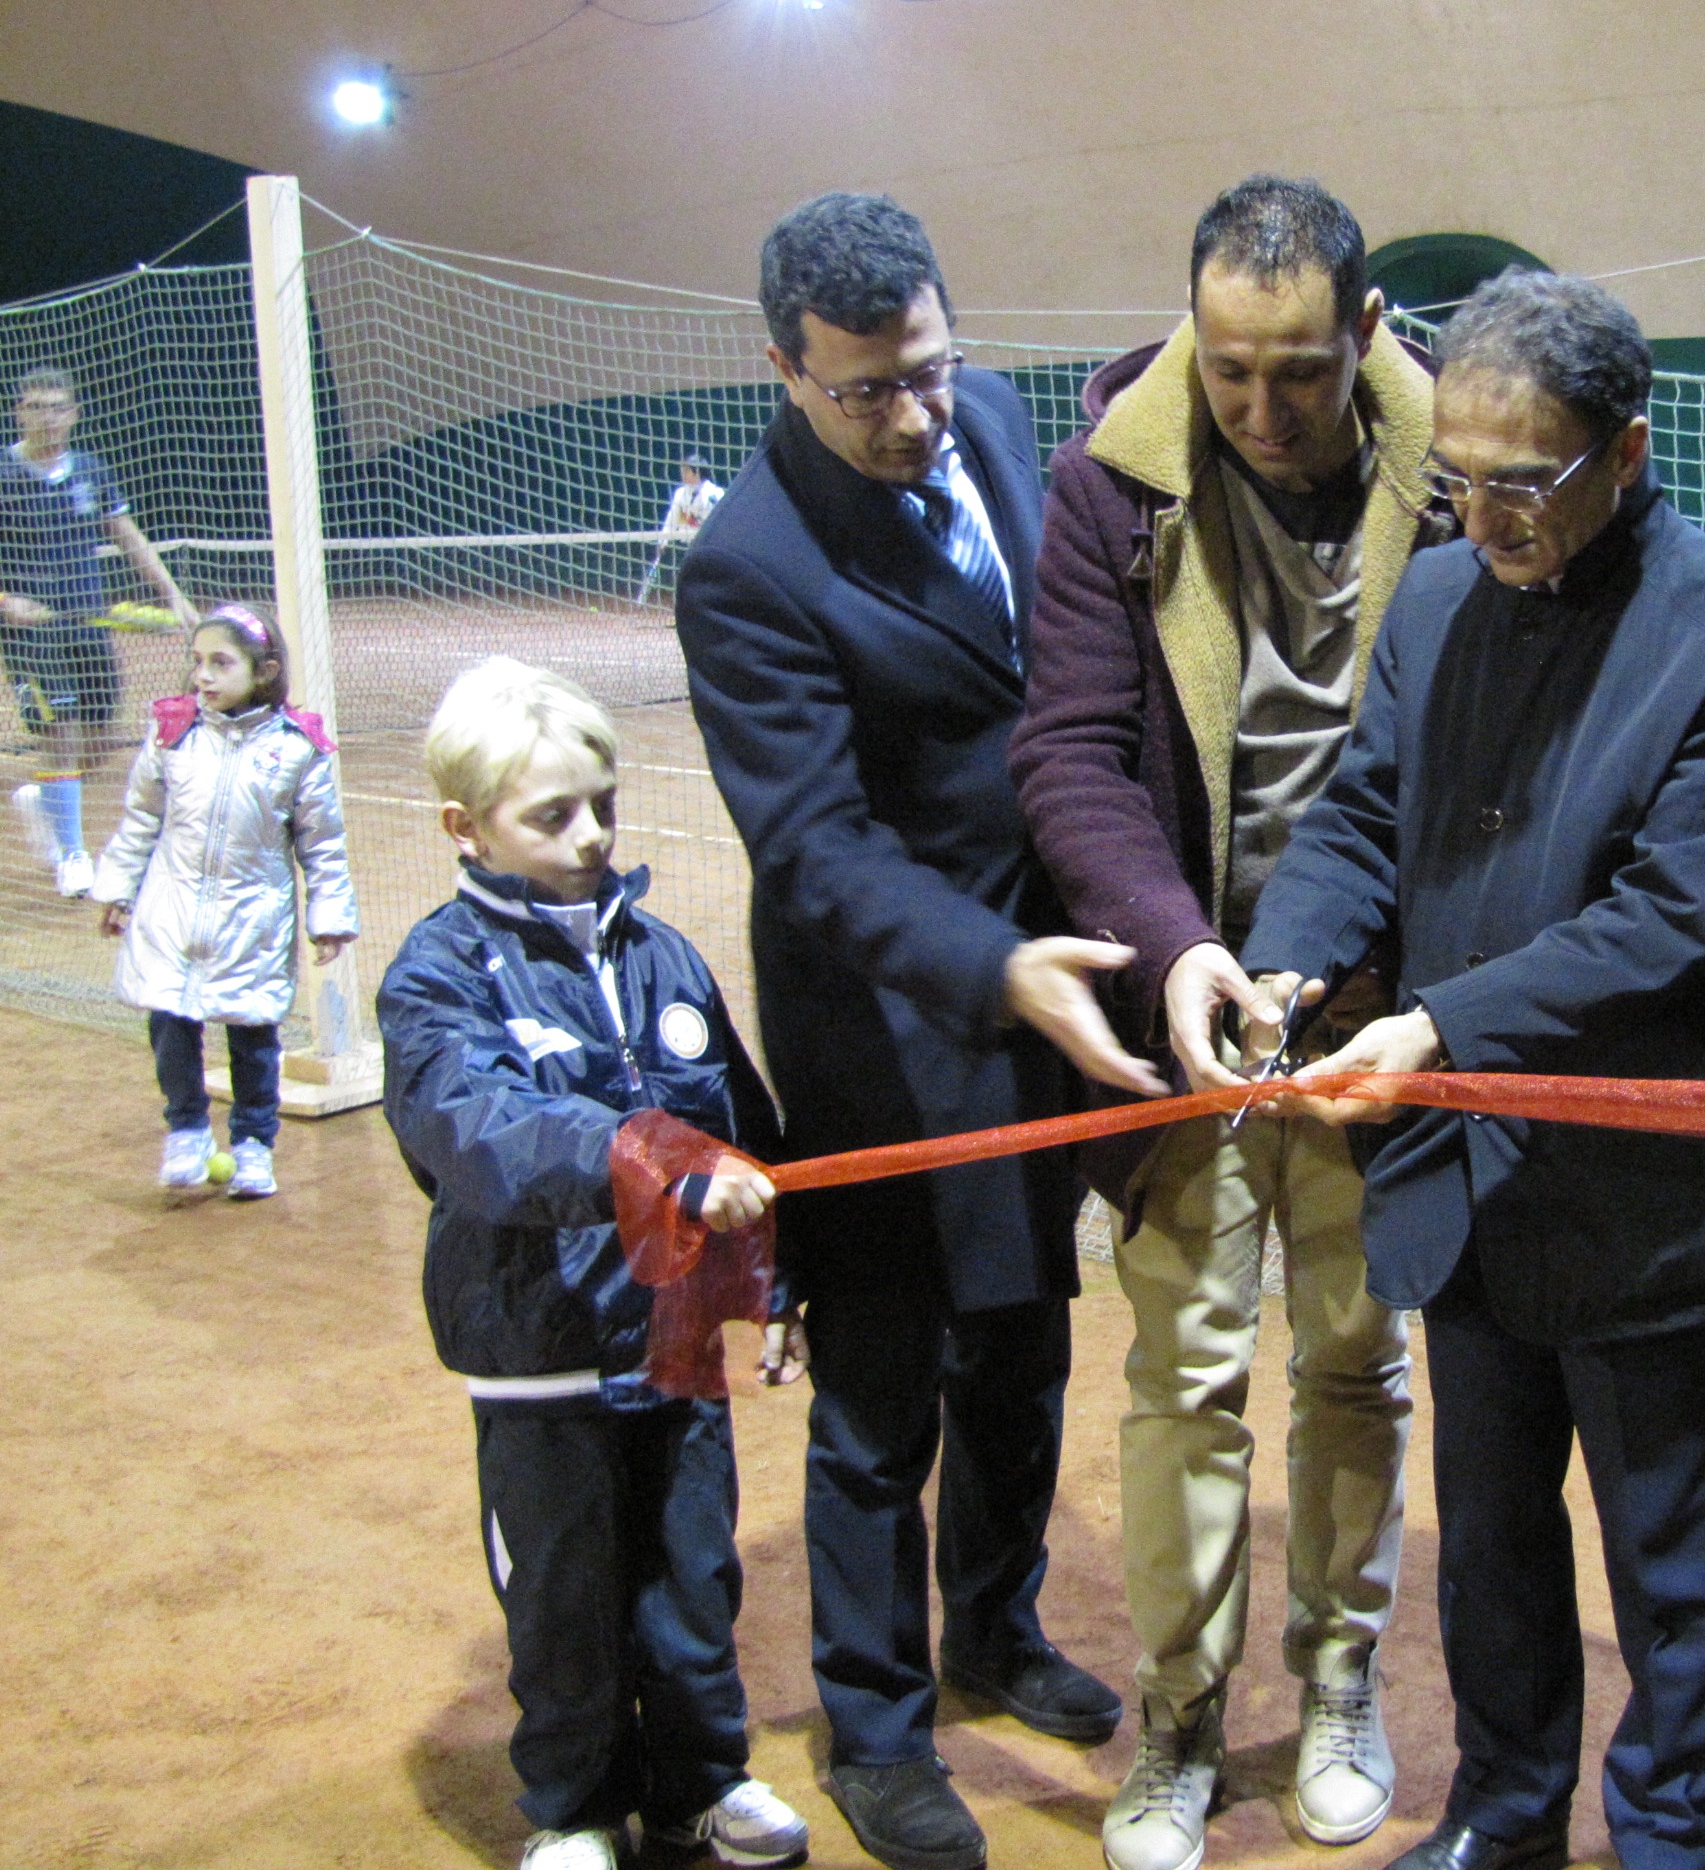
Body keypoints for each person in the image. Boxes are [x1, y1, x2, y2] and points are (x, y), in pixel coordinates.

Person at [1183, 270, 1705, 1870]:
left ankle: (1670, 1832)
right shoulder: (1436, 598)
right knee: (1489, 1544)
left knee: (1668, 1558)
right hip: (1459, 1183)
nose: (1484, 516)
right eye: (1456, 480)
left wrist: (1444, 1027)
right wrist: (1296, 959)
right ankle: (1506, 1809)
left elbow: (1672, 920)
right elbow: (1359, 813)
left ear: (1626, 449)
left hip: (1628, 1198)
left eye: (1523, 482)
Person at [675, 192, 1156, 1870]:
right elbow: (813, 849)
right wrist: (992, 966)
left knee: (1023, 1339)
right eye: (867, 391)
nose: (916, 414)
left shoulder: (1006, 415)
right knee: (884, 1389)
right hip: (886, 1015)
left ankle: (997, 1629)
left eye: (930, 373)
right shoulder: (749, 564)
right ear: (781, 369)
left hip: (1045, 977)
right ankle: (875, 1724)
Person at [1009, 173, 1434, 1870]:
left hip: (1367, 1010)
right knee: (1181, 1369)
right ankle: (1178, 1714)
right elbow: (1069, 751)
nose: (1260, 408)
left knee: (1352, 1355)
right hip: (1192, 1001)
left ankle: (1339, 1680)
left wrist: (1388, 976)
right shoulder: (1104, 483)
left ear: (1368, 335)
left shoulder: (1455, 468)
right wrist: (1172, 943)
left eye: (1300, 371)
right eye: (1229, 365)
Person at [376, 656, 811, 1870]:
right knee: (563, 1599)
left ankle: (698, 1785)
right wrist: (645, 1159)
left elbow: (739, 1124)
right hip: (540, 1346)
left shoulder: (663, 954)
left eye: (602, 803)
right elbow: (477, 1133)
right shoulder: (438, 977)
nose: (591, 835)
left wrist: (780, 1280)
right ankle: (572, 1808)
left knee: (691, 1580)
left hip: (672, 1344)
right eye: (552, 814)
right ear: (467, 829)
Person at [90, 603, 356, 1199]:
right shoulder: (172, 735)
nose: (203, 676)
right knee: (171, 1024)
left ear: (263, 671)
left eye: (220, 662)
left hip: (253, 921)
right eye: (197, 662)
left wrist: (329, 919)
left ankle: (254, 1144)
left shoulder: (297, 750)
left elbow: (323, 845)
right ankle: (186, 1130)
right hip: (171, 912)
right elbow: (140, 820)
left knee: (254, 1036)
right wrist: (117, 890)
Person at [3, 366, 198, 897]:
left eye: (57, 407)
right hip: (29, 633)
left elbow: (127, 535)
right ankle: (72, 854)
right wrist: (5, 601)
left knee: (100, 739)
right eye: (36, 406)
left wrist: (172, 594)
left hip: (87, 621)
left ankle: (44, 798)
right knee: (60, 732)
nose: (48, 417)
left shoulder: (90, 470)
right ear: (19, 411)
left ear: (74, 414)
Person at [639, 453, 724, 602]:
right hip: (685, 545)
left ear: (697, 472)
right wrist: (663, 541)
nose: (683, 474)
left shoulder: (715, 494)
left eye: (686, 471)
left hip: (708, 547)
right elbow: (672, 518)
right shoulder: (680, 494)